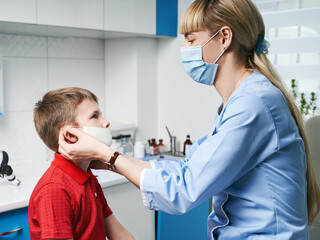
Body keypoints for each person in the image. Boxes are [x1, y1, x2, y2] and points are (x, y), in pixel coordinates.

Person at [58, 0, 320, 239]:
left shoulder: (254, 104)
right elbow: (186, 170)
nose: (185, 50)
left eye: (192, 40)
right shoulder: (240, 101)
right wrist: (111, 162)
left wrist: (109, 156)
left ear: (224, 37)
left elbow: (183, 190)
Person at [29, 87, 135, 240]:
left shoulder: (87, 177)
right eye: (94, 116)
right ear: (70, 135)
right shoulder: (54, 190)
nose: (106, 122)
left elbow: (118, 233)